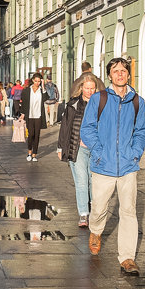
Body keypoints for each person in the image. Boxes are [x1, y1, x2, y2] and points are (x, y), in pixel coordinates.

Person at [79, 58, 145, 275]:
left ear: (129, 74)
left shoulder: (137, 101)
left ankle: (127, 258)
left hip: (128, 166)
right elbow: (87, 129)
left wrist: (135, 153)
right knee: (99, 208)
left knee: (128, 211)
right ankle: (96, 231)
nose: (120, 74)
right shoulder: (99, 99)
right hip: (103, 165)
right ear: (109, 75)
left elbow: (142, 130)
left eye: (123, 71)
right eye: (115, 71)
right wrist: (99, 152)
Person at [56, 72, 102, 227]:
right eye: (87, 88)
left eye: (92, 88)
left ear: (96, 89)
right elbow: (65, 126)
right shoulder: (73, 104)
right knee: (82, 181)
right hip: (78, 147)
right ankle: (83, 214)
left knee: (92, 181)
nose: (89, 91)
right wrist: (61, 146)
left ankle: (92, 208)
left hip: (96, 149)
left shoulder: (101, 104)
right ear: (81, 88)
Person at [17, 72, 46, 162]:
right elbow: (24, 103)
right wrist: (22, 114)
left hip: (38, 115)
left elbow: (46, 98)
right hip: (29, 115)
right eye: (36, 81)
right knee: (31, 135)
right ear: (33, 80)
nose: (37, 83)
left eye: (39, 81)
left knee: (37, 135)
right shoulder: (26, 91)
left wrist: (44, 86)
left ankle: (34, 154)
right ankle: (29, 152)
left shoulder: (42, 90)